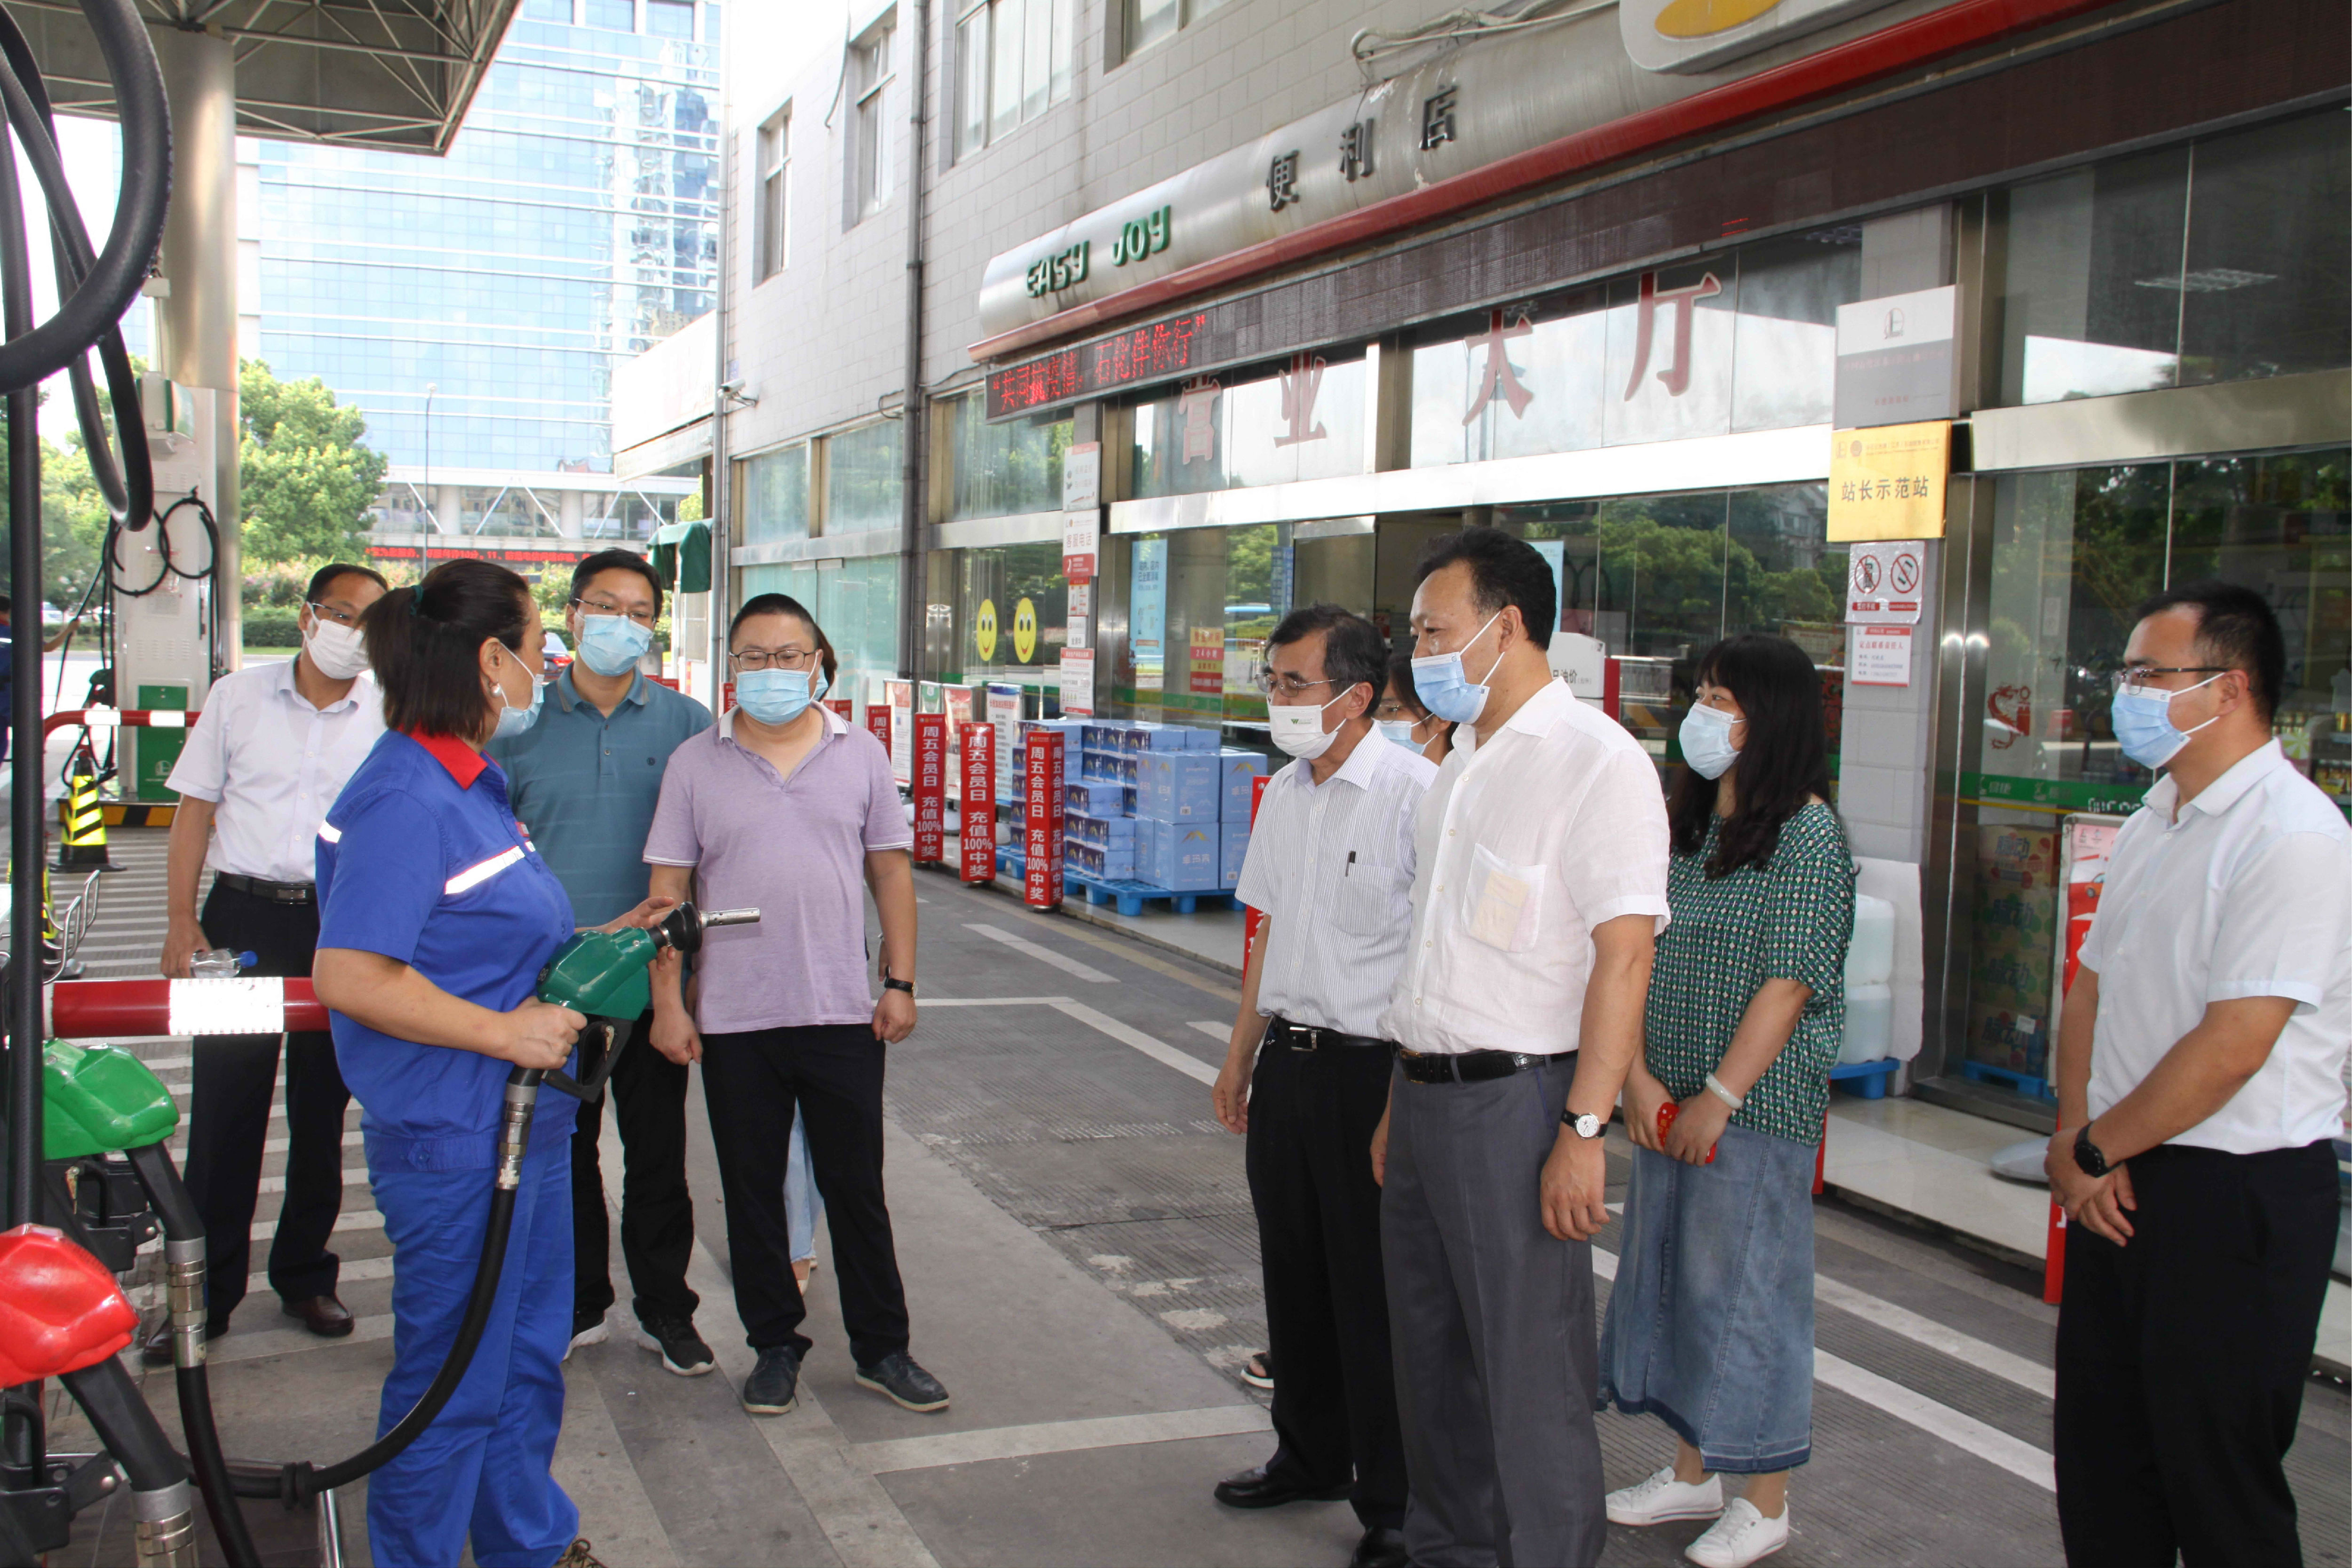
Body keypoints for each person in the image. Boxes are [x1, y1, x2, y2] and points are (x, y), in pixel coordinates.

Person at [314, 558, 667, 1568]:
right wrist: (507, 1033)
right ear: (488, 659)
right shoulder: (404, 795)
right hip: (457, 1136)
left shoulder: (471, 781)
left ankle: (526, 1543)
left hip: (528, 1125)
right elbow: (351, 971)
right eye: (536, 647)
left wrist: (605, 940)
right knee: (454, 1377)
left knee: (523, 1357)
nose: (546, 665)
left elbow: (480, 943)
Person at [1374, 525, 1669, 1568]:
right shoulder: (1459, 764)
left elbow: (1624, 957)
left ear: (1505, 627)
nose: (1418, 653)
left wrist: (1584, 1130)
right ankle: (1450, 1549)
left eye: (1433, 630)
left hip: (1520, 1104)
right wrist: (1398, 1101)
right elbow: (1435, 949)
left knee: (1529, 1373)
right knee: (1431, 1361)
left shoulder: (1596, 760)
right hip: (1424, 1096)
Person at [2043, 581, 2350, 1568]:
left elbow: (2233, 1045)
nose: (2126, 692)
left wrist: (2095, 1148)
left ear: (2230, 687)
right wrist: (2076, 1135)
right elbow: (2090, 989)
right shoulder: (2155, 816)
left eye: (2149, 673)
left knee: (2219, 1489)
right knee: (2105, 1470)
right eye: (2126, 672)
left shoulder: (2292, 834)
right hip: (2119, 1179)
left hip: (2234, 1198)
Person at [645, 592, 948, 1419]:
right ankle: (774, 1345)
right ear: (731, 664)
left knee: (858, 1190)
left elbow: (890, 870)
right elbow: (667, 892)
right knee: (752, 1194)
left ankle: (883, 1349)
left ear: (817, 662)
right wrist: (668, 1003)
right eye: (754, 656)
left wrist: (900, 982)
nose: (771, 670)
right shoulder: (695, 763)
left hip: (841, 1009)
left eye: (788, 656)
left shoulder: (861, 753)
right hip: (734, 1016)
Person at [1599, 633, 1855, 1568]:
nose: (1702, 715)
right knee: (1676, 1285)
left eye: (1723, 699)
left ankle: (1767, 1499)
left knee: (1749, 1296)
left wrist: (1718, 1096)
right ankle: (1694, 1468)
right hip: (1665, 1101)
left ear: (1771, 717)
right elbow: (1637, 950)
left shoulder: (1809, 834)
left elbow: (1788, 983)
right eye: (1701, 694)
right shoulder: (1694, 821)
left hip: (1749, 1111)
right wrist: (1635, 1078)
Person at [1210, 605, 1432, 1568]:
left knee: (1371, 1292)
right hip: (1289, 1066)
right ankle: (1306, 1454)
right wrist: (1238, 1056)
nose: (1279, 699)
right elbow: (1266, 934)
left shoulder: (1417, 796)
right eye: (1272, 682)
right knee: (1293, 1272)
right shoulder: (1285, 794)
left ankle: (1393, 1504)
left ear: (1357, 695)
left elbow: (1430, 961)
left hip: (1369, 1071)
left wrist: (1401, 1098)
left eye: (1295, 683)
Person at [144, 563, 388, 1361]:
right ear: (307, 614)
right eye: (341, 613)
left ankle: (305, 1275)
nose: (352, 632)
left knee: (322, 1106)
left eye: (370, 620)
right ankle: (205, 1294)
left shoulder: (388, 711)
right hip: (241, 919)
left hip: (338, 921)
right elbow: (195, 811)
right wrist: (182, 919)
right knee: (225, 1108)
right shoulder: (238, 696)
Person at [485, 548, 715, 1377]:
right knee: (563, 1150)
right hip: (552, 982)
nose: (624, 623)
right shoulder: (519, 722)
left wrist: (687, 980)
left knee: (657, 1152)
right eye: (606, 606)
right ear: (573, 614)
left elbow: (705, 855)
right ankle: (581, 1300)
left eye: (641, 611)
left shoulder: (687, 723)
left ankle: (667, 1308)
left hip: (652, 977)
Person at [1373, 650, 1451, 764]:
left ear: (1441, 716)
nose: (1376, 725)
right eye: (1371, 714)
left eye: (1392, 710)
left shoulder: (1471, 774)